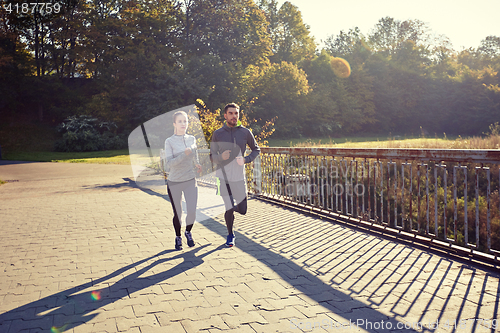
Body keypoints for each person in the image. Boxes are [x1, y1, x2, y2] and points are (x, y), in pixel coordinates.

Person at [210, 103, 260, 247]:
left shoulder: (245, 132)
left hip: (239, 177)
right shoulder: (218, 133)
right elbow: (212, 156)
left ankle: (232, 209)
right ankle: (230, 234)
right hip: (223, 177)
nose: (234, 116)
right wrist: (221, 157)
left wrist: (246, 159)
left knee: (243, 210)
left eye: (236, 113)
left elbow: (256, 149)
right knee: (228, 207)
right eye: (231, 113)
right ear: (225, 115)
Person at [164, 111, 202, 250]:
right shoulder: (169, 141)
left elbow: (194, 153)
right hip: (174, 182)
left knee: (192, 211)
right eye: (180, 121)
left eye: (185, 121)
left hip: (190, 180)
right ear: (174, 124)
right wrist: (183, 155)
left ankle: (188, 232)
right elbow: (169, 163)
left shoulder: (192, 138)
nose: (183, 124)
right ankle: (178, 236)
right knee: (178, 213)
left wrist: (197, 164)